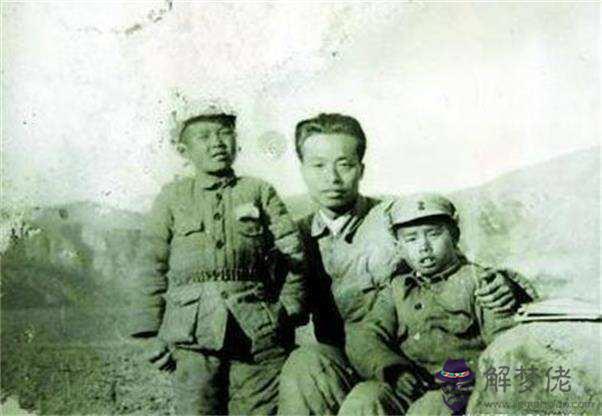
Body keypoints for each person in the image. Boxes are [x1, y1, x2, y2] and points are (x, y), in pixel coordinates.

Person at [278, 113, 537, 415]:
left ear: (361, 169)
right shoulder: (294, 237)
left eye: (344, 164)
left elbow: (455, 263)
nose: (332, 178)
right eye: (318, 165)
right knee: (305, 362)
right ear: (302, 170)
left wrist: (504, 285)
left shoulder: (394, 219)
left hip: (411, 361)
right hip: (354, 362)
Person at [130, 106, 308, 415]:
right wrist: (148, 335)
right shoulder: (171, 198)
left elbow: (294, 254)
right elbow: (150, 266)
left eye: (225, 133)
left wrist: (288, 309)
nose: (217, 143)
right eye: (204, 136)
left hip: (259, 336)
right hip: (192, 339)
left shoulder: (259, 191)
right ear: (184, 150)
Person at [343, 193, 527, 415]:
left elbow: (505, 347)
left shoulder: (480, 282)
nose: (424, 246)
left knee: (431, 407)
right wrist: (395, 371)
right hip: (413, 386)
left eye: (434, 234)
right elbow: (366, 336)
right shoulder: (397, 289)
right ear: (399, 247)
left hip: (465, 391)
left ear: (454, 236)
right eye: (411, 239)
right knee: (364, 398)